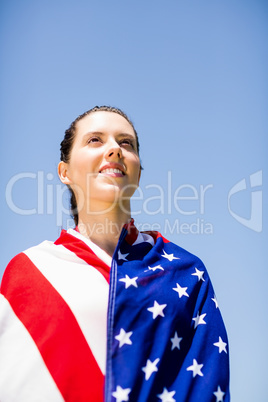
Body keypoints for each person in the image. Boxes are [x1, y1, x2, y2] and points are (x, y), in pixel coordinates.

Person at [0, 106, 230, 402]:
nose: (114, 150)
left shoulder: (185, 272)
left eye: (126, 143)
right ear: (65, 172)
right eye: (95, 140)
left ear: (137, 171)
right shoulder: (29, 269)